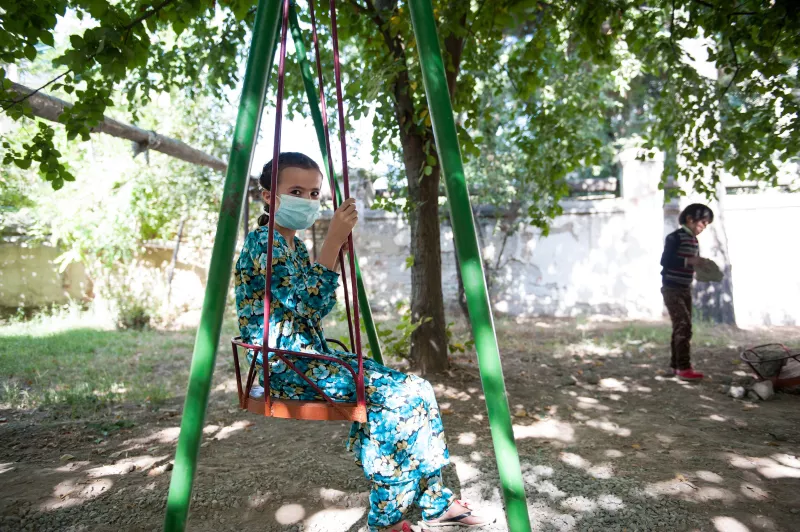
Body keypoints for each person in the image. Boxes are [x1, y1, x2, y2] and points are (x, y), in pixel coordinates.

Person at [234, 152, 494, 532]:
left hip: (311, 359)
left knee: (416, 388)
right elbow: (308, 303)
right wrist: (334, 240)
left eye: (313, 194)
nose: (307, 201)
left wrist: (330, 248)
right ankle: (387, 520)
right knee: (397, 399)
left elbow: (318, 302)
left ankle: (435, 500)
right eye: (295, 191)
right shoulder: (264, 244)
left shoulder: (292, 245)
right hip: (288, 367)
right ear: (268, 196)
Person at [660, 203, 714, 381]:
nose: (704, 228)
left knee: (681, 327)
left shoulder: (694, 240)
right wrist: (689, 261)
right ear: (690, 219)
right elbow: (666, 261)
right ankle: (683, 367)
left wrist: (700, 265)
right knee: (683, 325)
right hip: (671, 288)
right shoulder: (674, 237)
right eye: (703, 223)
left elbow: (692, 261)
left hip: (685, 288)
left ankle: (676, 367)